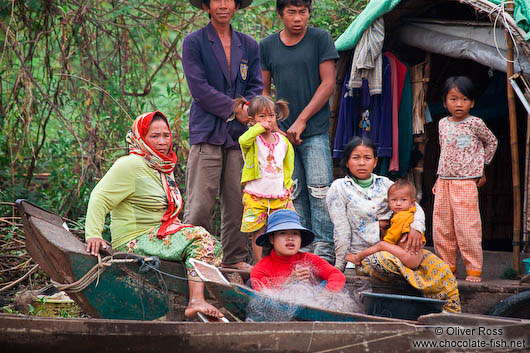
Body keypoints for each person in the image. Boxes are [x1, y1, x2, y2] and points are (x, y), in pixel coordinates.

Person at [85, 111, 224, 319]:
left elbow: (166, 211)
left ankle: (193, 298)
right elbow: (99, 197)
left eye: (166, 135)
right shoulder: (130, 165)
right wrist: (93, 234)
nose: (162, 142)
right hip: (134, 238)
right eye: (154, 136)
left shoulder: (161, 166)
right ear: (141, 138)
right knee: (201, 239)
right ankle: (195, 301)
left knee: (209, 242)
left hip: (156, 234)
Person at [326, 137, 461, 313]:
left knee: (440, 267)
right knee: (386, 262)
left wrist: (416, 228)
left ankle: (450, 314)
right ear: (347, 161)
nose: (361, 163)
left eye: (367, 158)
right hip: (364, 255)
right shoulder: (339, 188)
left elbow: (415, 206)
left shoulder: (385, 184)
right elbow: (341, 230)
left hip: (399, 248)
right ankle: (424, 297)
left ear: (375, 162)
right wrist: (340, 266)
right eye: (355, 158)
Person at [182, 0, 263, 270]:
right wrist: (232, 108)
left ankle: (234, 259)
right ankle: (194, 259)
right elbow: (199, 88)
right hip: (207, 130)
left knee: (238, 202)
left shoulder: (249, 45)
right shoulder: (194, 42)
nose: (223, 4)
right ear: (206, 5)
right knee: (200, 203)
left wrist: (246, 109)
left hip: (240, 135)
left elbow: (255, 84)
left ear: (237, 5)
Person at [260, 0, 338, 264]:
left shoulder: (320, 39)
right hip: (281, 135)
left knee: (320, 190)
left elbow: (328, 84)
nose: (297, 18)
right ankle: (302, 251)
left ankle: (324, 250)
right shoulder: (268, 45)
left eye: (302, 12)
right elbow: (264, 92)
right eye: (291, 12)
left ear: (309, 13)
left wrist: (302, 119)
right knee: (294, 192)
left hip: (313, 129)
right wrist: (274, 127)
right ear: (281, 14)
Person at [433, 76, 498, 283]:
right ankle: (448, 269)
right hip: (444, 181)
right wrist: (437, 178)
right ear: (445, 102)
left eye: (464, 99)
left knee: (467, 227)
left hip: (466, 182)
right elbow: (444, 152)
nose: (459, 104)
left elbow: (492, 143)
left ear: (472, 102)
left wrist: (482, 167)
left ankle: (473, 270)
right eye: (453, 99)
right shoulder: (442, 123)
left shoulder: (475, 123)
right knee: (442, 227)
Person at [235, 95, 294, 264]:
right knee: (258, 232)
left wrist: (287, 186)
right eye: (262, 116)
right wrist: (258, 128)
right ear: (252, 120)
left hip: (279, 195)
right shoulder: (252, 140)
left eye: (271, 116)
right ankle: (259, 263)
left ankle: (280, 261)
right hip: (256, 195)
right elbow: (242, 139)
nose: (267, 120)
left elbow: (287, 166)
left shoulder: (283, 141)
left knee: (283, 228)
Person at [250, 209, 345, 292]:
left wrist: (324, 295)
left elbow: (336, 275)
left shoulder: (309, 259)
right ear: (272, 239)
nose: (290, 238)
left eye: (295, 233)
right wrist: (287, 283)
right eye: (283, 233)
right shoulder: (260, 269)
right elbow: (263, 297)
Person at [347, 179, 425, 270]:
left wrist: (384, 243)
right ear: (388, 202)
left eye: (403, 200)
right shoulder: (410, 212)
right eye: (394, 200)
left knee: (381, 245)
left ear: (412, 202)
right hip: (416, 255)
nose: (398, 204)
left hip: (409, 256)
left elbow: (392, 237)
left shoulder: (402, 217)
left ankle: (357, 258)